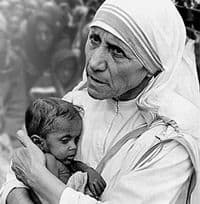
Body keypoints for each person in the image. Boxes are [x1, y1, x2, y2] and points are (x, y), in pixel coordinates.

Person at [1, 0, 200, 203]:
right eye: (95, 39)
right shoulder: (77, 100)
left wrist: (38, 179)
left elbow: (31, 171)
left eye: (117, 51)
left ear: (152, 66)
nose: (95, 62)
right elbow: (20, 169)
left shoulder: (171, 134)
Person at [23, 97, 106, 203]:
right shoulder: (45, 162)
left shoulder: (61, 160)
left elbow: (75, 165)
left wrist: (89, 171)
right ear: (39, 142)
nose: (74, 146)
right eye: (65, 140)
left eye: (76, 139)